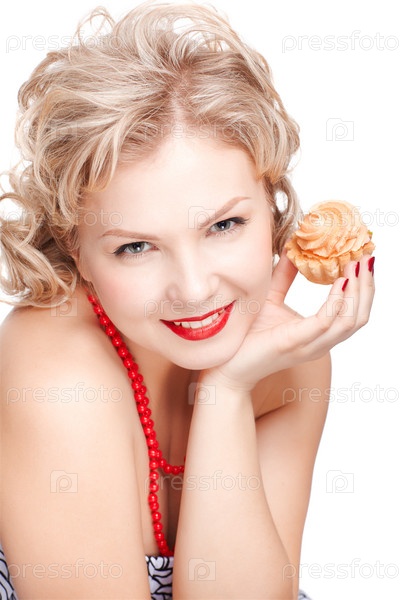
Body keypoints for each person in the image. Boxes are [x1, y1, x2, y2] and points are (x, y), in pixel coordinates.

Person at [0, 2, 375, 599]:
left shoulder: (287, 359)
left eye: (224, 226)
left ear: (272, 202)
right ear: (77, 249)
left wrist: (227, 393)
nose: (195, 289)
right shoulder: (56, 368)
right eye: (136, 246)